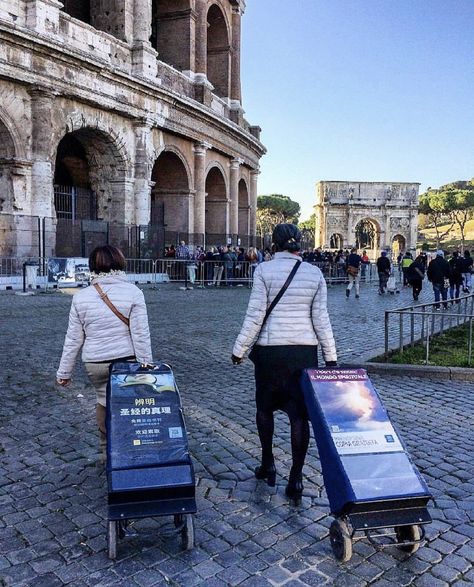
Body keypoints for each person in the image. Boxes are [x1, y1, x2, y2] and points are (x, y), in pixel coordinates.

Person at [231, 224, 337, 505]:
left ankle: (268, 463)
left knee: (264, 409)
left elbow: (255, 315)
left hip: (271, 352)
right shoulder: (314, 274)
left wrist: (239, 348)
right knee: (299, 417)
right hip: (303, 353)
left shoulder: (264, 271)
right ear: (299, 244)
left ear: (273, 244)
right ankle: (297, 477)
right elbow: (321, 318)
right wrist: (331, 357)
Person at [56, 245, 153, 462]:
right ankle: (129, 451)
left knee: (103, 401)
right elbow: (141, 334)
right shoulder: (134, 293)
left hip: (95, 362)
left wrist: (64, 372)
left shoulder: (80, 297)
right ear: (120, 263)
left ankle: (105, 452)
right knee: (128, 405)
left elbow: (73, 340)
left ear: (93, 267)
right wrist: (146, 364)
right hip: (126, 360)